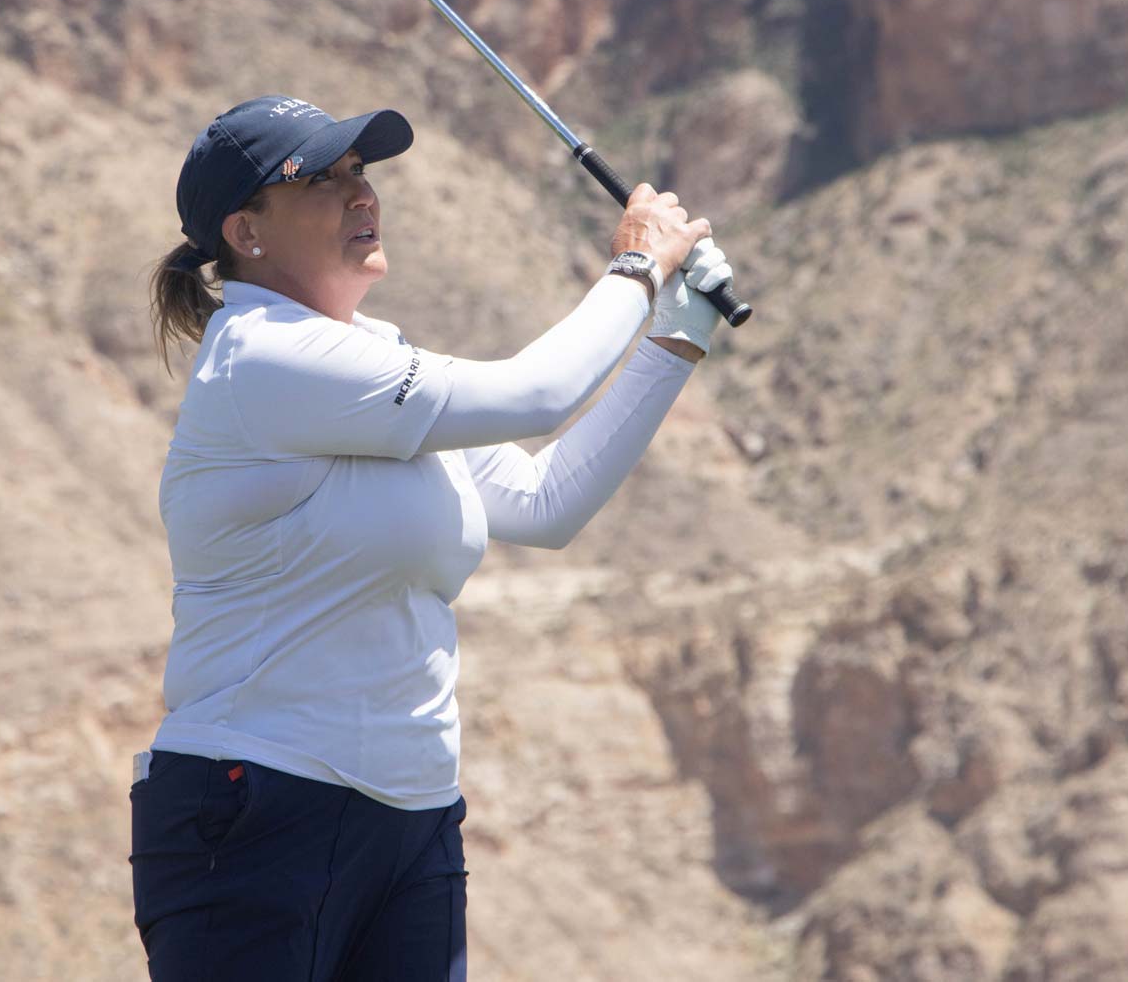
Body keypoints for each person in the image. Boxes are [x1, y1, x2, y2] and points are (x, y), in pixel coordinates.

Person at [132, 95, 734, 981]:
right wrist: (639, 265)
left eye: (361, 174)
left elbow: (545, 499)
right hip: (253, 808)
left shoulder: (372, 355)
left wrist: (681, 331)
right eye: (323, 180)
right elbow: (538, 394)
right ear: (246, 232)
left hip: (413, 816)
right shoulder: (261, 355)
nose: (360, 195)